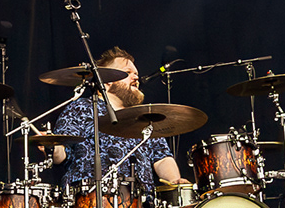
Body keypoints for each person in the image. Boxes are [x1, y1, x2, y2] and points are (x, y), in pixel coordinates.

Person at [50, 49, 189, 194]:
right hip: (90, 197)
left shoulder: (144, 116)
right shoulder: (81, 108)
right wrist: (51, 146)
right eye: (128, 73)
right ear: (107, 81)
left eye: (136, 73)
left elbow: (162, 157)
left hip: (141, 201)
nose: (136, 77)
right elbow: (62, 153)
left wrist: (174, 180)